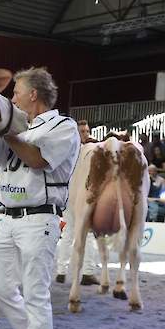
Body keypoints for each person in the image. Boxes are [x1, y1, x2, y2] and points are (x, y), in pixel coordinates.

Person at [0, 67, 79, 329]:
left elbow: (36, 159)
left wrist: (6, 130)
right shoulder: (21, 125)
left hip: (40, 218)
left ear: (33, 94)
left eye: (16, 92)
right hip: (9, 217)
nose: (12, 98)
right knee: (2, 289)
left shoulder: (64, 126)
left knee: (35, 294)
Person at [55, 119, 100, 287]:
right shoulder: (87, 151)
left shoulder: (68, 150)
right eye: (82, 132)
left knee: (67, 234)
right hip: (78, 198)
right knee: (85, 235)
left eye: (87, 131)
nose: (86, 134)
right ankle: (88, 272)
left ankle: (61, 271)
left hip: (69, 198)